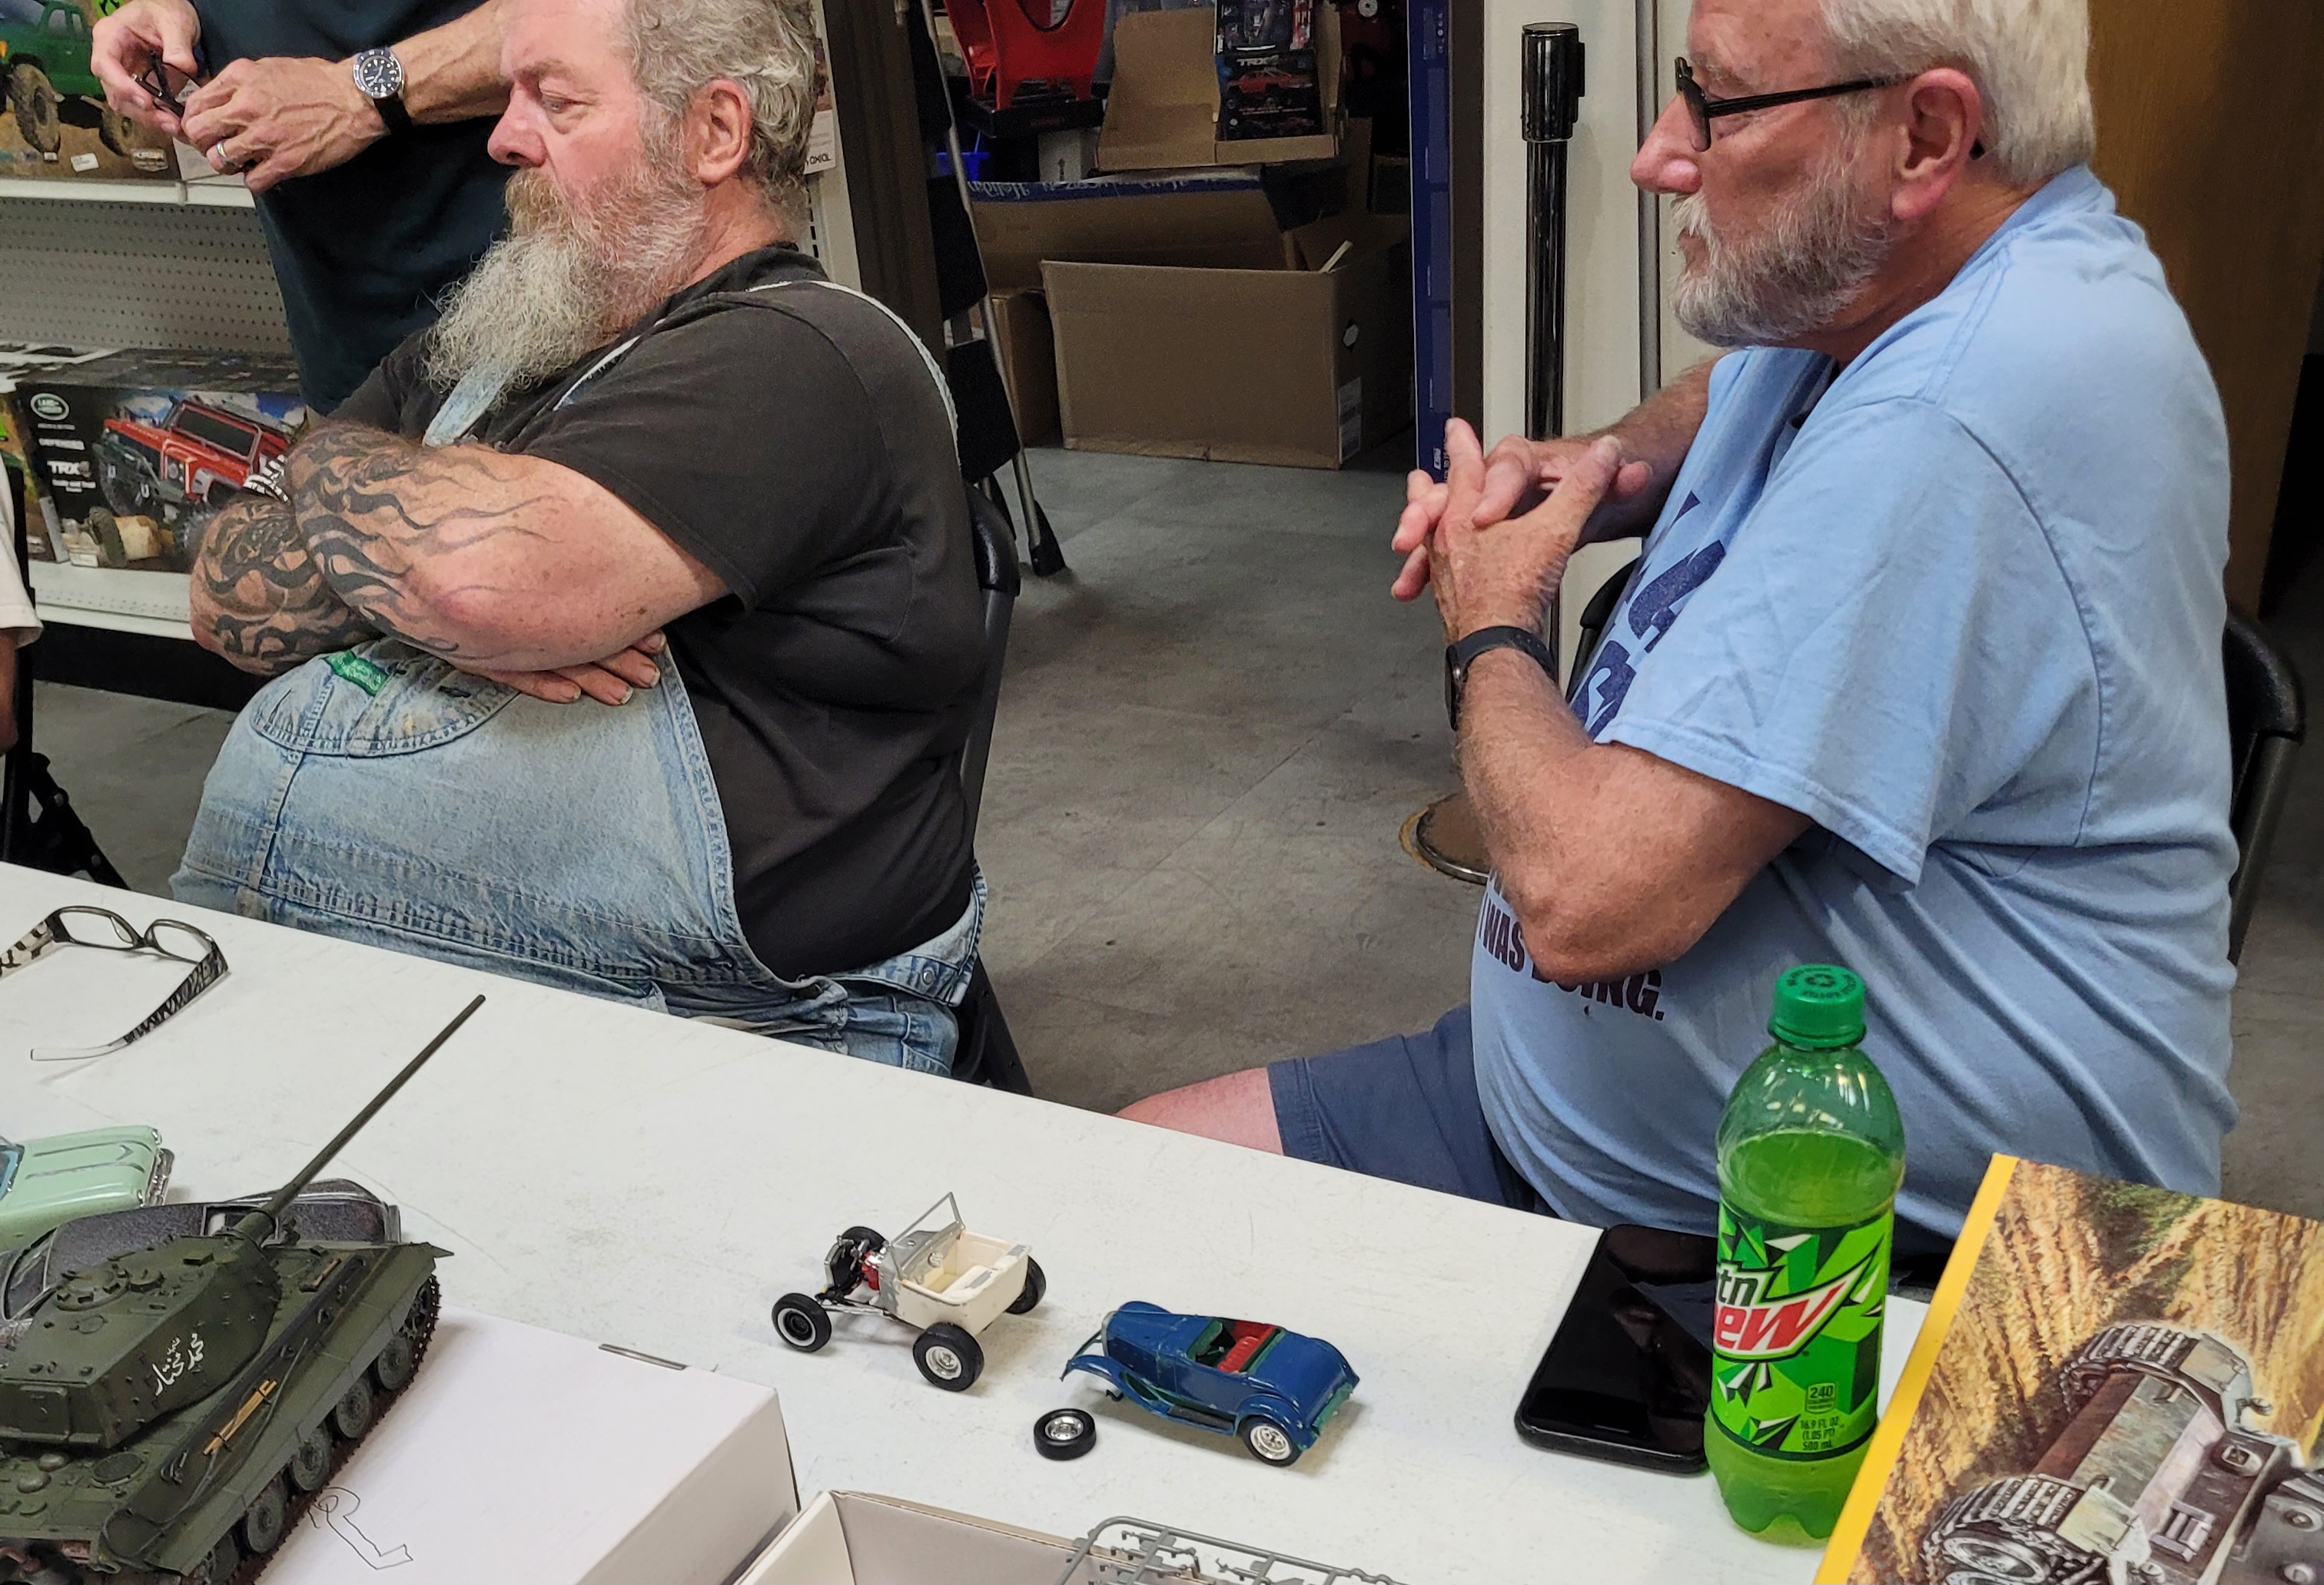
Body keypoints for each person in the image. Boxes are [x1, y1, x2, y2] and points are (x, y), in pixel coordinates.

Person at [1123, 0, 2236, 1253]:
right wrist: (1599, 466)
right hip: (1570, 1128)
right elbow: (1728, 384)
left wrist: (1493, 619)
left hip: (1814, 1238)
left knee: (1130, 1282)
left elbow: (1582, 902)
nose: (1660, 153)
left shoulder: (1956, 416)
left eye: (1720, 106)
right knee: (1112, 1186)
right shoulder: (1906, 284)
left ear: (1925, 136)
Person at [170, 0, 990, 1075]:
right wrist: (420, 563)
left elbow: (476, 584)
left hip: (724, 1031)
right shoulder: (489, 345)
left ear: (714, 132)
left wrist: (328, 469)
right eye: (510, 98)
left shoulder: (804, 354)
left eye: (554, 102)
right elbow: (222, 598)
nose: (503, 139)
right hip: (432, 979)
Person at [92, 0, 511, 409]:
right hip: (334, 324)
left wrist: (355, 94)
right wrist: (177, 12)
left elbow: (552, 26)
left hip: (507, 324)